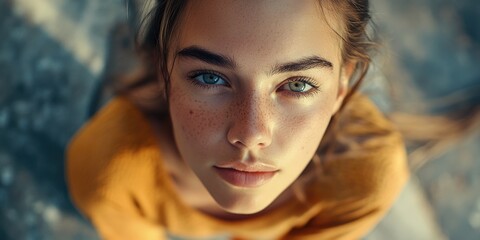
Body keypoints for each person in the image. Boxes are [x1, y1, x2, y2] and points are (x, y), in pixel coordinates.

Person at [66, 0, 410, 239]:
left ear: (341, 86)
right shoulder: (107, 174)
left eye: (298, 84)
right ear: (164, 71)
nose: (250, 135)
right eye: (210, 77)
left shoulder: (366, 178)